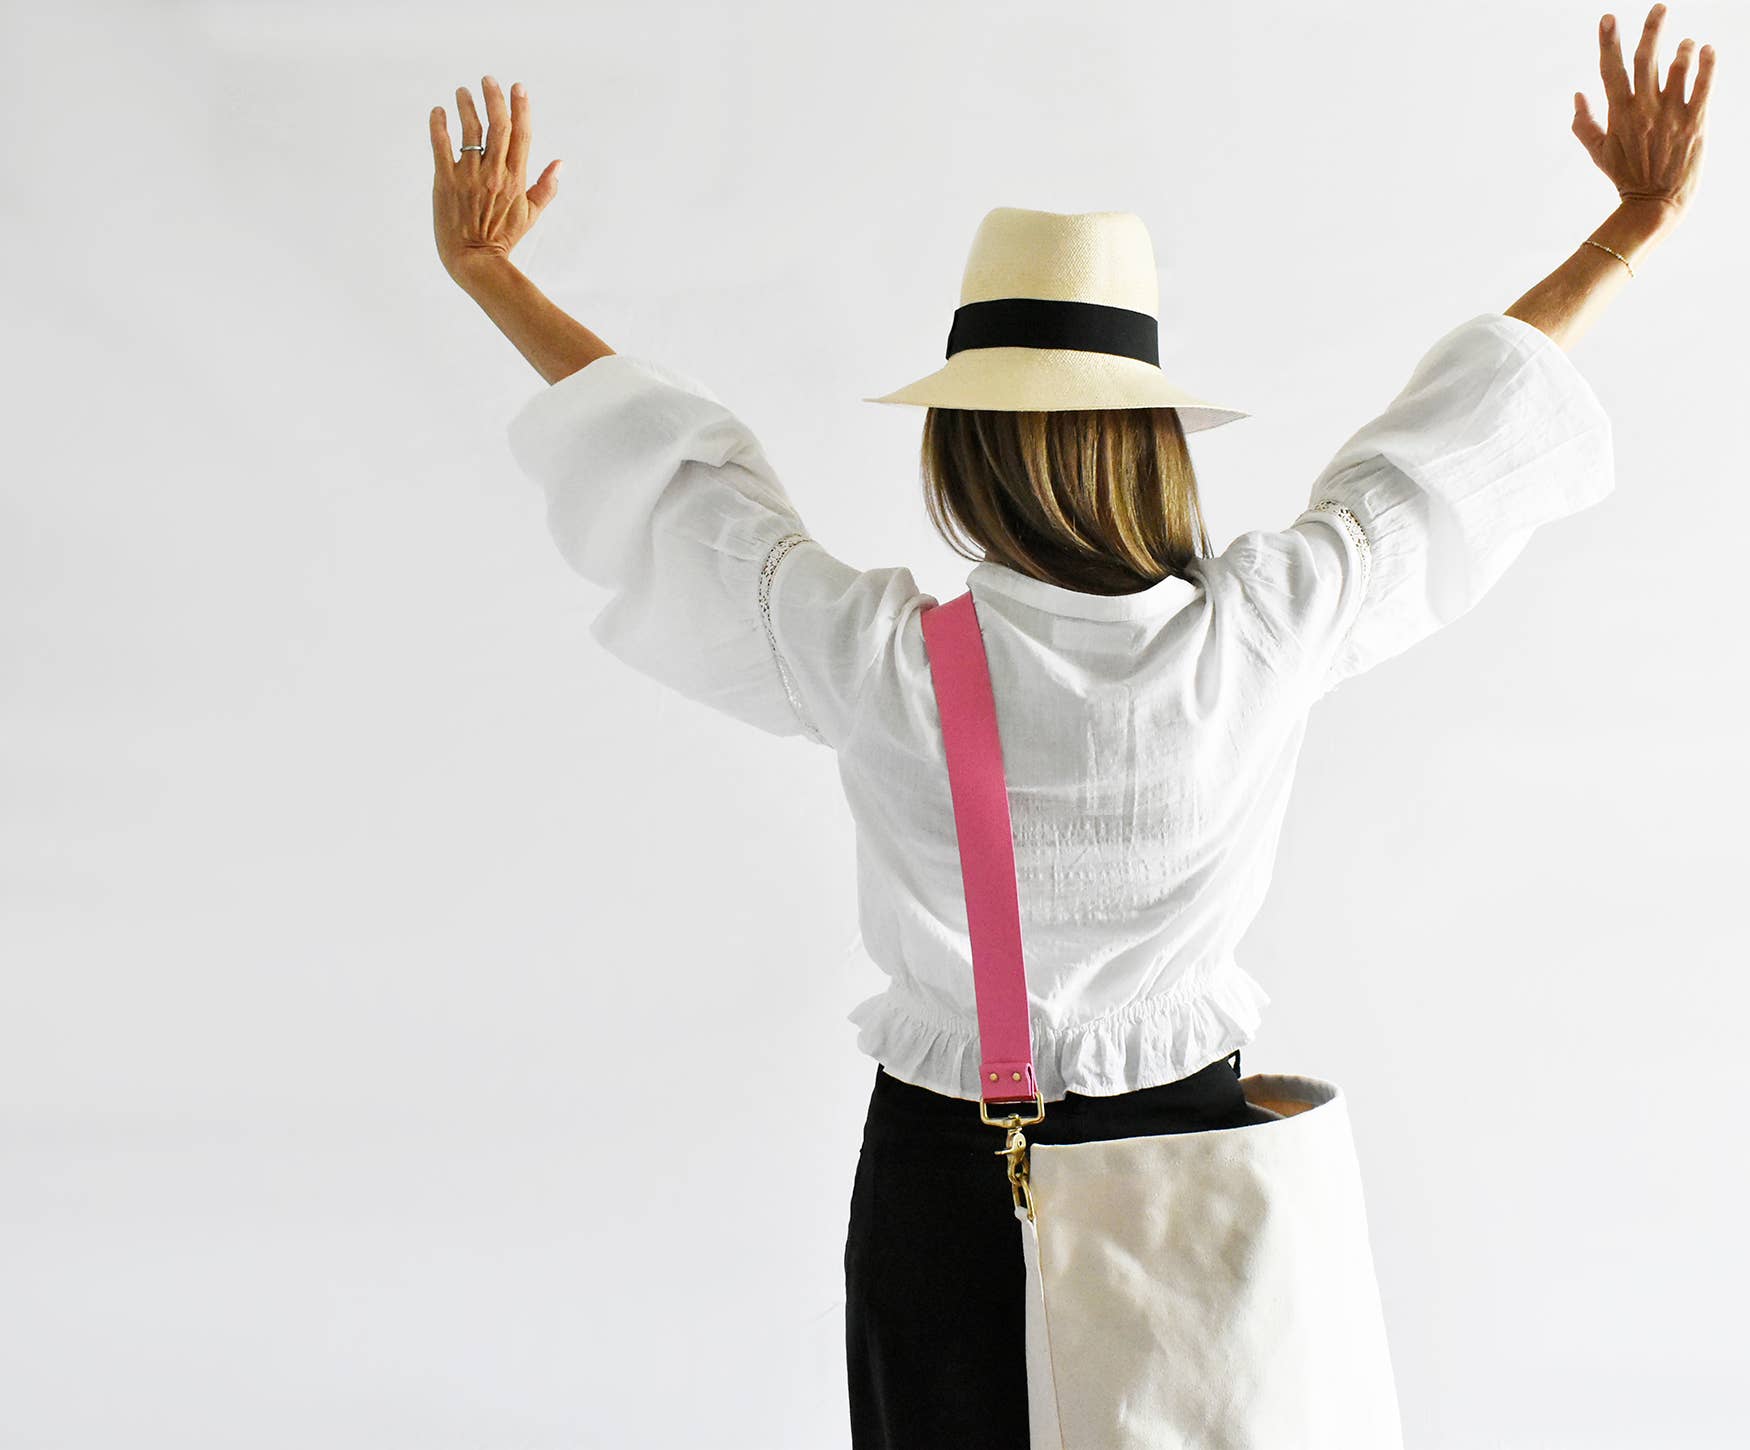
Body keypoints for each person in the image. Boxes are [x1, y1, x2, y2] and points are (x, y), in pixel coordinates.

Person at [427, 6, 1713, 1444]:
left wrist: (492, 276)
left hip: (945, 1167)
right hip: (1190, 1140)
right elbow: (1445, 451)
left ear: (956, 446)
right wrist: (1628, 227)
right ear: (1152, 435)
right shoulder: (1267, 626)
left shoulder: (881, 658)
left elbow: (689, 487)